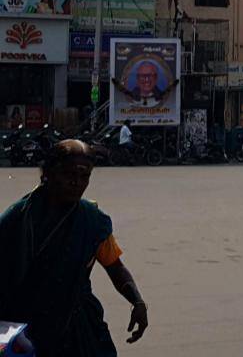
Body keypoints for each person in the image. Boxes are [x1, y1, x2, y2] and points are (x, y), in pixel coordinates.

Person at [0, 139, 148, 355]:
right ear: (49, 173)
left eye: (84, 176)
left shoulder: (92, 219)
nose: (76, 183)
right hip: (26, 325)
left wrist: (137, 302)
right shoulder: (18, 218)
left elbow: (115, 266)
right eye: (69, 174)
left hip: (79, 324)